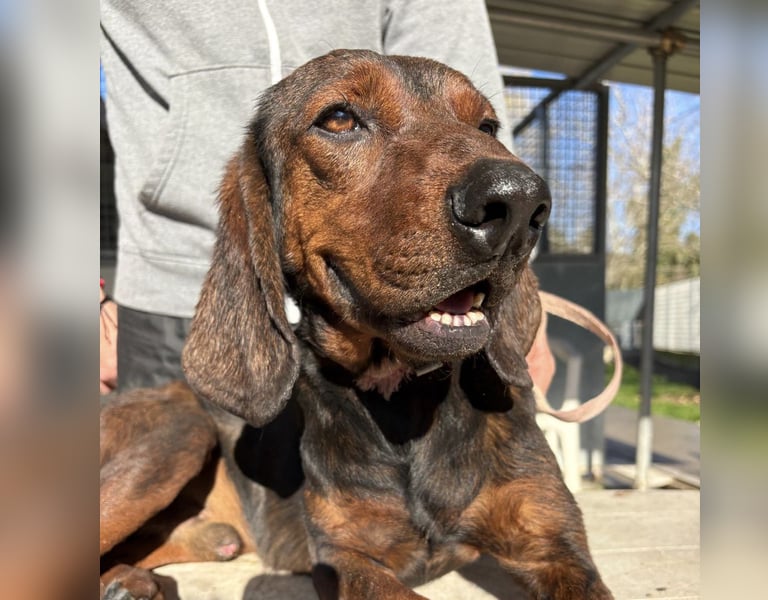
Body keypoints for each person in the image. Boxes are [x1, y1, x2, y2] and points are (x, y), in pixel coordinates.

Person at [99, 0, 555, 394]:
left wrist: (512, 287)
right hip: (179, 288)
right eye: (341, 118)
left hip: (402, 302)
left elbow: (449, 47)